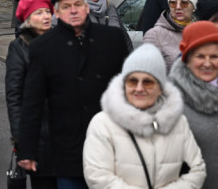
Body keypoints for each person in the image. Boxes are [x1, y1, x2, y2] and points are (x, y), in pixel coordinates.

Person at [17, 0, 130, 189]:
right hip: (66, 146)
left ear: (87, 8)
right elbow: (32, 102)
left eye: (78, 4)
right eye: (66, 7)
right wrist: (27, 150)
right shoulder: (43, 47)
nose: (74, 10)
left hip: (110, 144)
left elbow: (128, 91)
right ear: (57, 14)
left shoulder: (112, 39)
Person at [82, 43, 205, 189]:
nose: (139, 88)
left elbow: (197, 170)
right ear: (124, 84)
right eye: (133, 81)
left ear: (160, 88)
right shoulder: (102, 123)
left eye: (147, 82)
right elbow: (98, 176)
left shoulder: (179, 122)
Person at [5, 0, 56, 189]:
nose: (45, 16)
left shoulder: (60, 40)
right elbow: (14, 96)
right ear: (27, 18)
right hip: (38, 134)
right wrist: (20, 139)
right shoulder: (18, 48)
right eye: (38, 13)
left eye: (47, 12)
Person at [169, 21, 218, 189]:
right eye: (200, 56)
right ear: (187, 58)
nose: (207, 63)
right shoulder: (171, 100)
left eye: (214, 56)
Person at [144, 0, 199, 72]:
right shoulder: (154, 35)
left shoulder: (201, 32)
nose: (178, 7)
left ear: (193, 6)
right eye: (173, 3)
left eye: (184, 3)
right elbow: (148, 75)